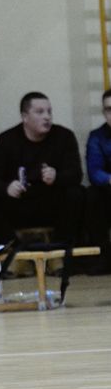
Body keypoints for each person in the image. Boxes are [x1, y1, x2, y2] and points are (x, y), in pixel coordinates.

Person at [0, 91, 84, 276]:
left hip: (51, 205)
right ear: (25, 117)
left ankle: (56, 255)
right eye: (40, 112)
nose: (47, 117)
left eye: (49, 111)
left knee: (78, 193)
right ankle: (18, 253)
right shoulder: (6, 140)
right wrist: (6, 188)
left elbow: (76, 174)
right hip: (19, 205)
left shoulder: (64, 137)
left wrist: (57, 176)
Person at [84, 90, 111, 273]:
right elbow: (94, 172)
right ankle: (104, 256)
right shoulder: (97, 136)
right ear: (104, 112)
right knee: (91, 195)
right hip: (109, 190)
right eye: (109, 109)